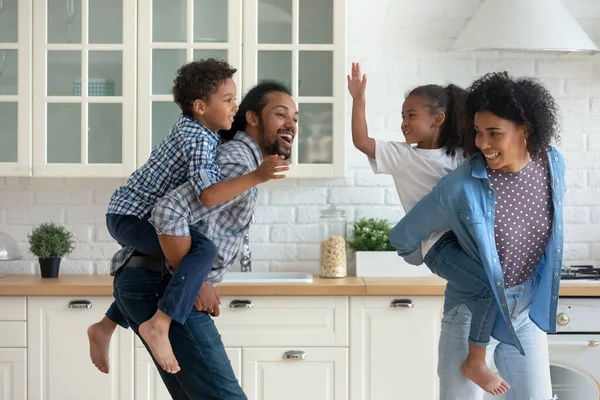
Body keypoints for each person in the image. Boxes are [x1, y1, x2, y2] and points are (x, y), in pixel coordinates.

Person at [87, 60, 288, 375]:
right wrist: (257, 176)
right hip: (132, 217)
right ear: (200, 106)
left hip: (128, 213)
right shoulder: (200, 141)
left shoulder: (201, 132)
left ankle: (106, 324)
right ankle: (160, 323)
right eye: (227, 100)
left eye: (235, 99)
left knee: (190, 252)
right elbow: (208, 196)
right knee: (203, 250)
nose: (234, 106)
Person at [389, 71, 565, 399]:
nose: (482, 144)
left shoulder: (551, 165)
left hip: (524, 313)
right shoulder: (460, 186)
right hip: (470, 316)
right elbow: (404, 236)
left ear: (525, 131)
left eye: (494, 133)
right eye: (478, 132)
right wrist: (437, 255)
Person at [348, 62, 510, 394]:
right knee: (488, 288)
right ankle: (475, 362)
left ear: (437, 119)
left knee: (493, 288)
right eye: (403, 116)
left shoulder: (460, 157)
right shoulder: (401, 156)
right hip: (436, 246)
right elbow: (362, 140)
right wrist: (358, 98)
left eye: (411, 115)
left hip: (467, 241)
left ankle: (479, 356)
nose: (404, 122)